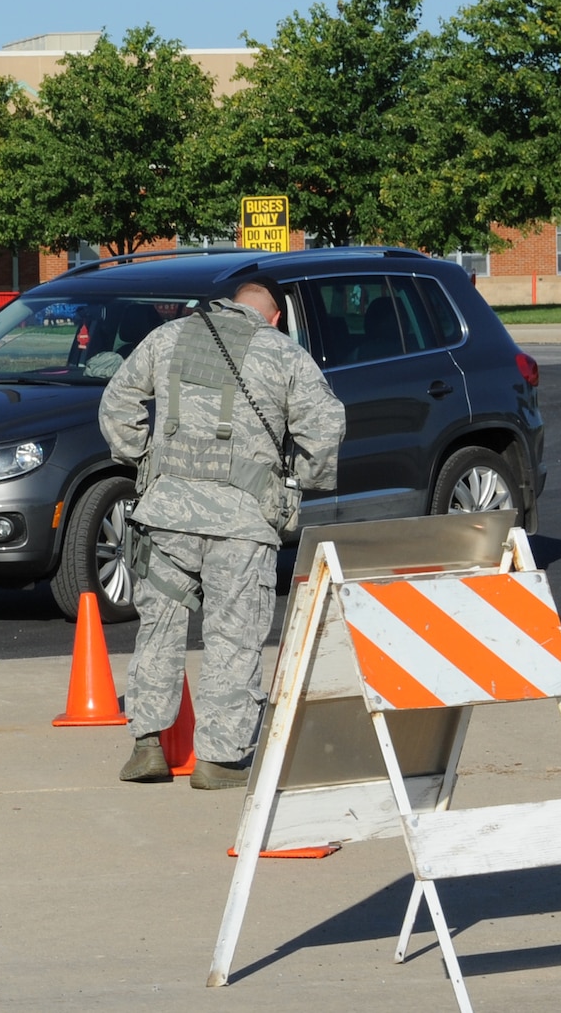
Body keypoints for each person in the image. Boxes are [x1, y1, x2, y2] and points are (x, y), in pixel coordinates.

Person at [98, 278, 345, 789]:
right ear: (275, 316)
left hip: (164, 516)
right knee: (233, 637)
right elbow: (324, 428)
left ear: (232, 302)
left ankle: (147, 746)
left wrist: (142, 458)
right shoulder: (282, 353)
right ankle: (218, 760)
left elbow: (117, 401)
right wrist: (302, 480)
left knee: (159, 628)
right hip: (241, 524)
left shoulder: (168, 338)